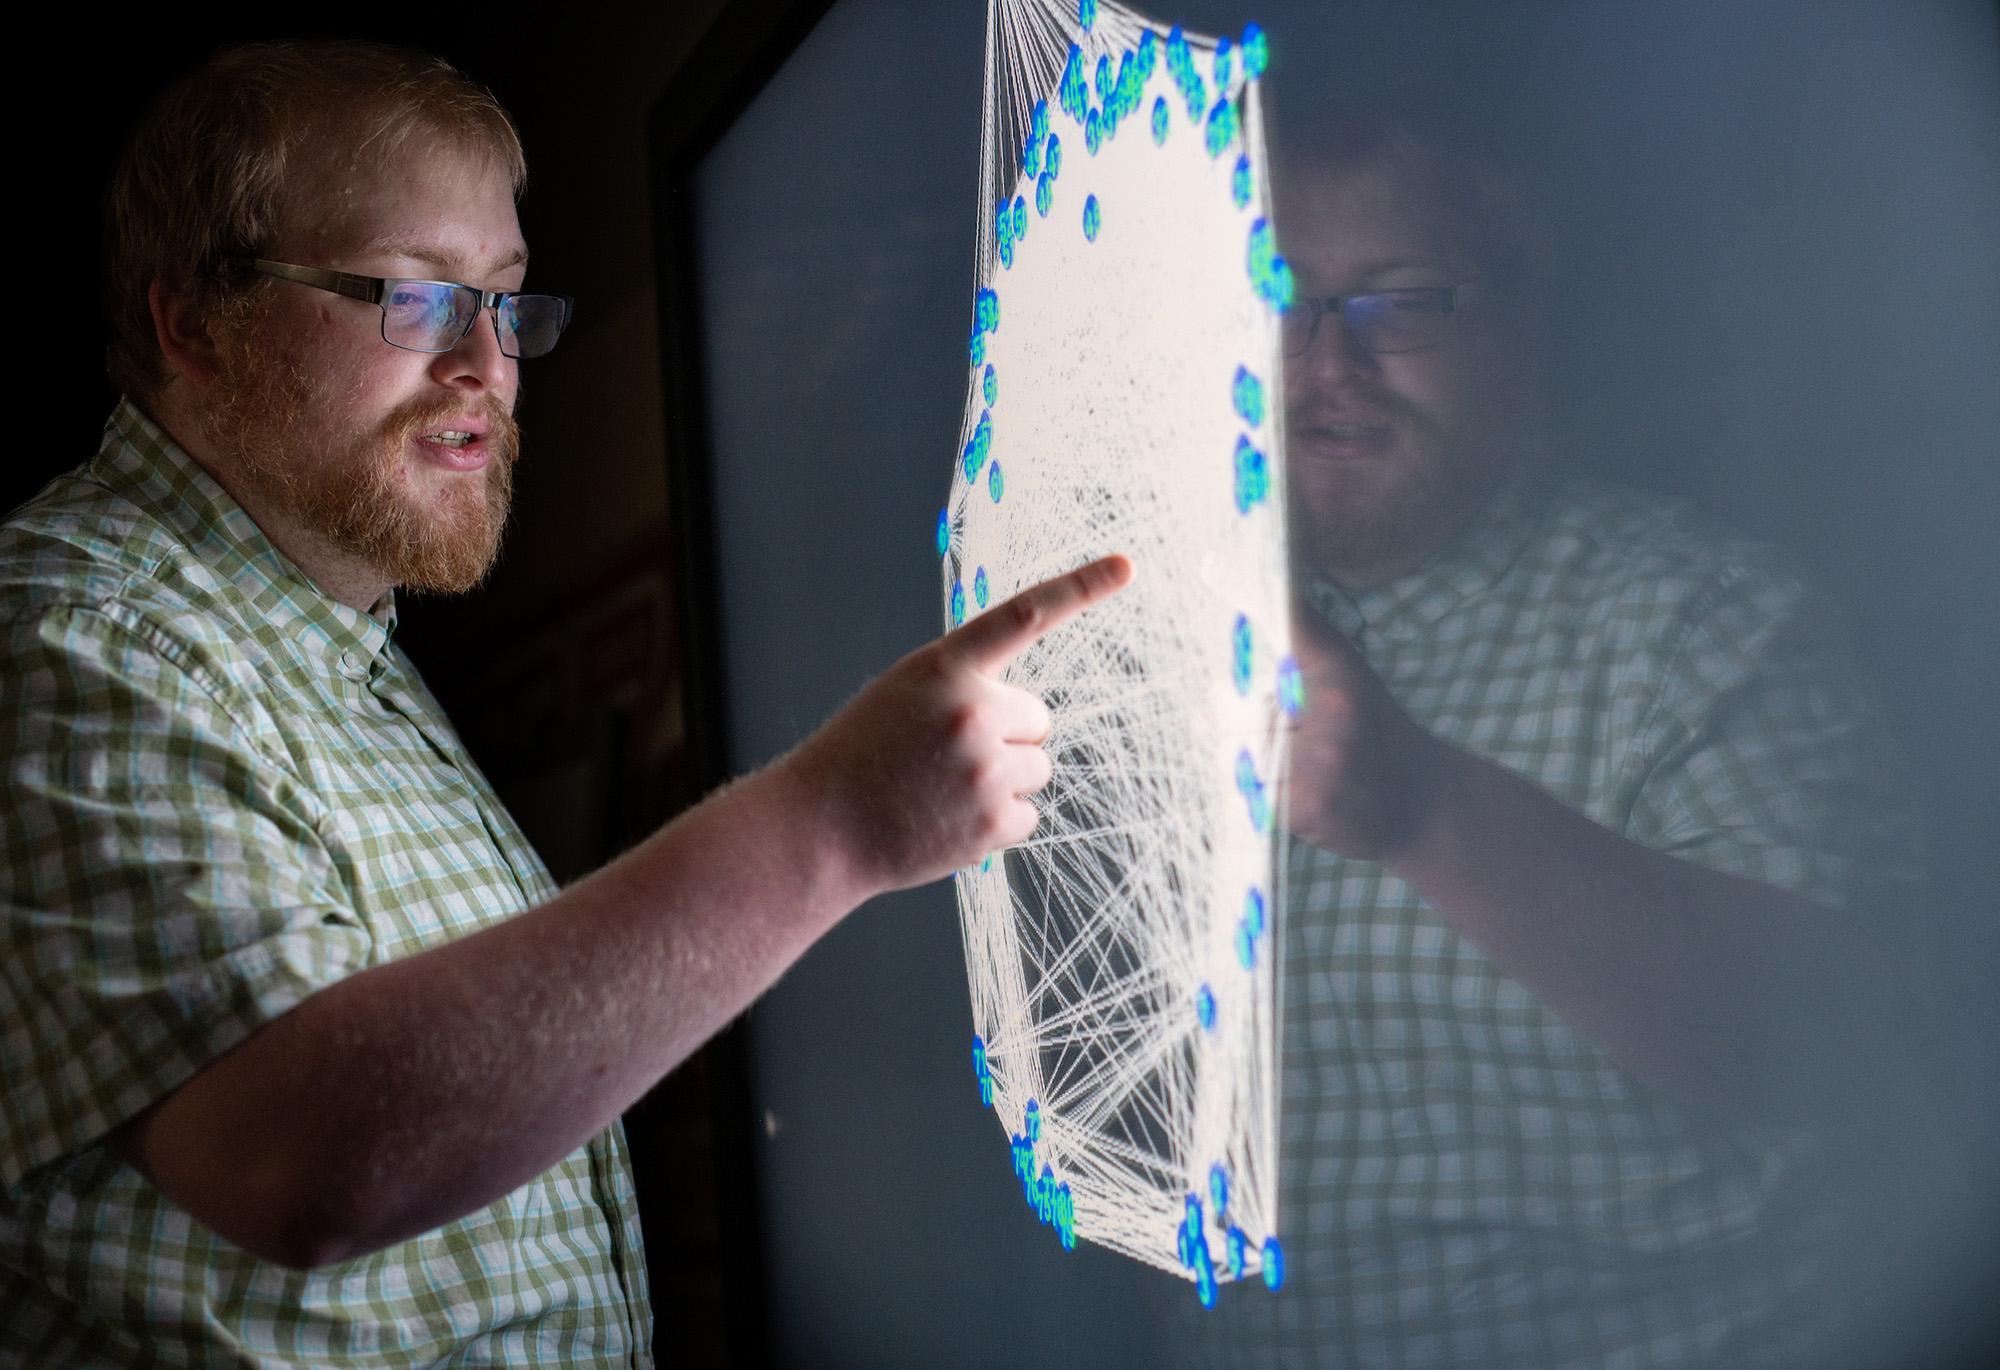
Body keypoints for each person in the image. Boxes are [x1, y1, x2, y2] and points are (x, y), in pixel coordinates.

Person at [0, 40, 1130, 1365]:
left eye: (509, 302)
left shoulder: (323, 642)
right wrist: (833, 822)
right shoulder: (78, 632)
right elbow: (302, 1153)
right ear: (196, 320)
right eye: (416, 298)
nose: (486, 361)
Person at [1196, 102, 1940, 1368]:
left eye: (1399, 301)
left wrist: (1421, 807)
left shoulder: (1701, 617)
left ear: (1522, 329)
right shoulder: (1149, 626)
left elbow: (1832, 1045)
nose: (1325, 361)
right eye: (1280, 293)